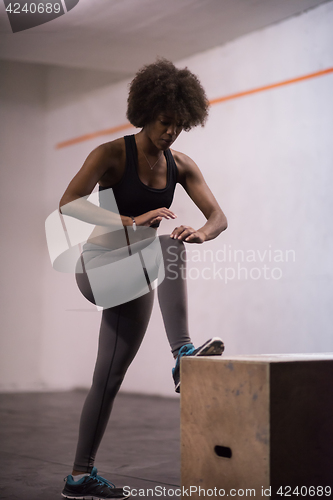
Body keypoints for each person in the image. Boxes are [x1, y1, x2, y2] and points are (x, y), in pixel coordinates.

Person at [59, 59, 228, 500]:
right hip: (98, 265)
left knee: (108, 377)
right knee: (165, 244)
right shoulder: (112, 154)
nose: (170, 132)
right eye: (164, 122)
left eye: (179, 125)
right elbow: (69, 204)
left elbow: (218, 216)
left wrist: (202, 232)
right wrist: (134, 219)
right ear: (146, 112)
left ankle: (80, 475)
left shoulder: (181, 165)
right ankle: (183, 353)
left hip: (138, 273)